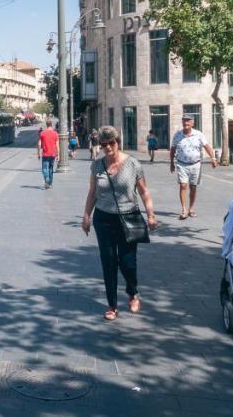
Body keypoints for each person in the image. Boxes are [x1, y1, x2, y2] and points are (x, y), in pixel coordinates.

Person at [81, 126, 157, 320]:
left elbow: (144, 192)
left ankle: (132, 292)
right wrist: (86, 216)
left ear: (117, 142)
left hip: (129, 217)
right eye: (103, 144)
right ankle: (112, 305)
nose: (107, 147)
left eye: (111, 143)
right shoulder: (97, 166)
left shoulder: (133, 164)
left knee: (127, 262)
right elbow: (92, 193)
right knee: (108, 262)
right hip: (103, 219)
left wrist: (150, 215)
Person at [169, 113, 218, 219]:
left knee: (193, 187)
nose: (186, 122)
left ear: (192, 123)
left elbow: (207, 146)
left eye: (188, 120)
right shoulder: (177, 135)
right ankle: (184, 210)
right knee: (183, 185)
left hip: (196, 165)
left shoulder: (199, 134)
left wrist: (213, 158)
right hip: (181, 164)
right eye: (184, 120)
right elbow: (173, 149)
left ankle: (191, 209)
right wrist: (171, 163)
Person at [37, 122, 59, 189]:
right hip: (52, 154)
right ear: (51, 125)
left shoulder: (42, 133)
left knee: (44, 168)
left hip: (45, 154)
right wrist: (58, 155)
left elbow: (39, 145)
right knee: (50, 169)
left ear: (46, 125)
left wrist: (38, 153)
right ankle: (50, 184)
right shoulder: (55, 133)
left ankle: (46, 178)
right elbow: (57, 145)